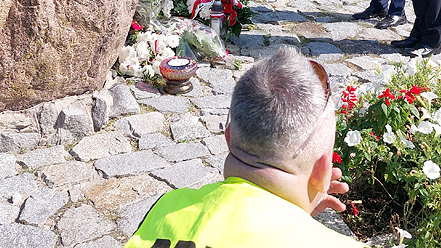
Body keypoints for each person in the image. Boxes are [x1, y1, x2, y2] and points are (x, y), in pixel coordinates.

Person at [124, 48, 361, 248]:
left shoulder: (165, 210)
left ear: (228, 137)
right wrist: (301, 225)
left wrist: (296, 216)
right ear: (323, 171)